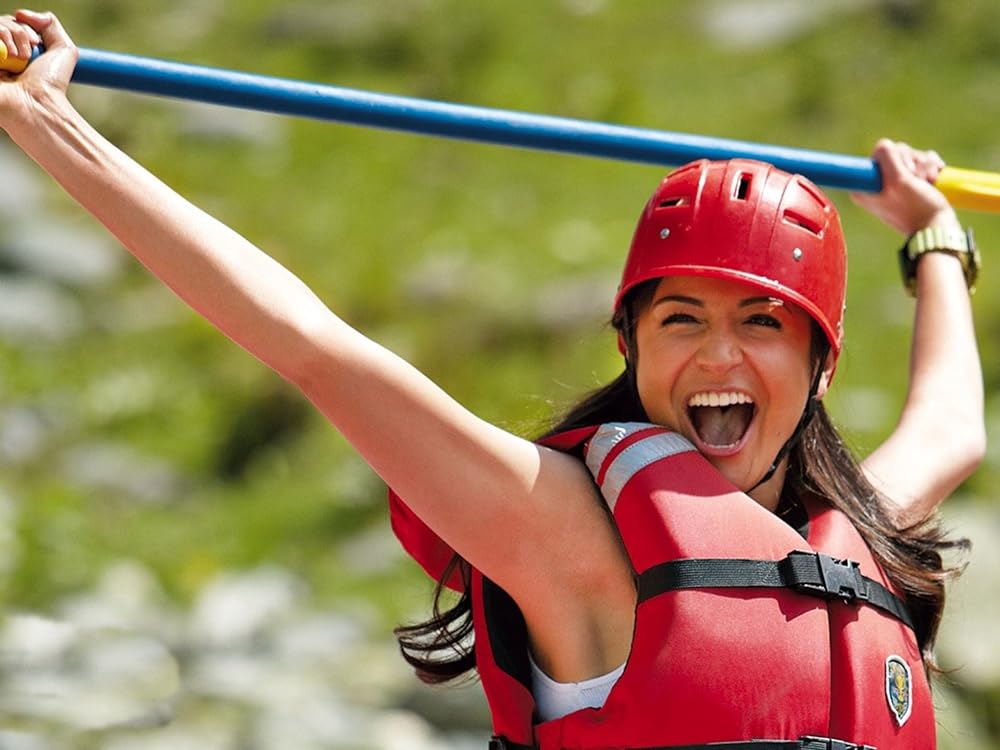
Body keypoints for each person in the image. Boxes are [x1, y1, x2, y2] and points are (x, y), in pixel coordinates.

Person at [0, 10, 984, 750]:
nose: (718, 356)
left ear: (819, 364)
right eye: (679, 319)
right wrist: (47, 122)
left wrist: (931, 236)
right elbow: (304, 340)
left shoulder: (854, 526)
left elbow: (951, 426)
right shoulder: (560, 532)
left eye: (760, 323)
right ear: (629, 345)